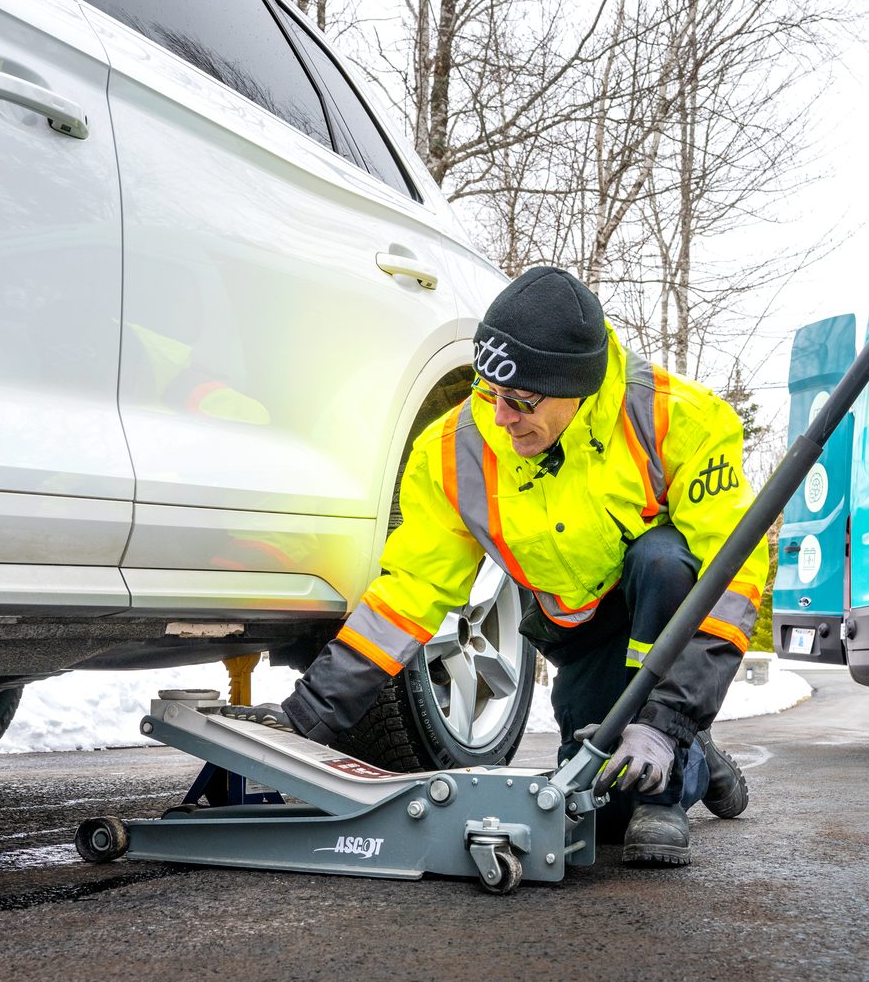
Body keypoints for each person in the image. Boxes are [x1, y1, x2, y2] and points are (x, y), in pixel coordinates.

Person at [227, 265, 765, 866]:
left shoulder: (679, 420)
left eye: (520, 401)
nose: (501, 416)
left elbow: (733, 578)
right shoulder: (454, 451)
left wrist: (666, 722)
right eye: (489, 391)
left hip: (662, 611)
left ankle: (667, 783)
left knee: (661, 559)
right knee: (602, 813)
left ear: (577, 389)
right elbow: (411, 590)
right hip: (579, 632)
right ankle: (696, 750)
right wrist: (309, 715)